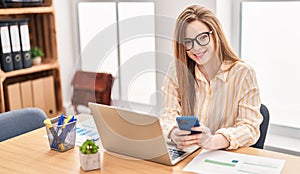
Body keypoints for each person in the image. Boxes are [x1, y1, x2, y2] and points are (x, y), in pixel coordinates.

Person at [160, 5, 263, 150]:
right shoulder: (176, 70)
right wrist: (174, 132)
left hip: (223, 159)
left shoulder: (243, 73)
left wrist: (213, 141)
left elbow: (250, 127)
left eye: (202, 37)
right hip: (189, 155)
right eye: (188, 42)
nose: (196, 48)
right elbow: (167, 114)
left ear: (216, 35)